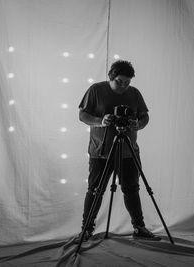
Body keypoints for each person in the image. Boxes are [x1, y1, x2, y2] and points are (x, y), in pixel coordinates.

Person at [77, 60, 160, 242]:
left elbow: (145, 116)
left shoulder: (135, 93)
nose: (123, 86)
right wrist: (101, 121)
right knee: (95, 190)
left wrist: (138, 124)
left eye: (127, 82)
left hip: (128, 151)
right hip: (101, 151)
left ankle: (139, 228)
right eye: (119, 82)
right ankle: (86, 230)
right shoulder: (96, 90)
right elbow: (82, 114)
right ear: (111, 77)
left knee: (132, 189)